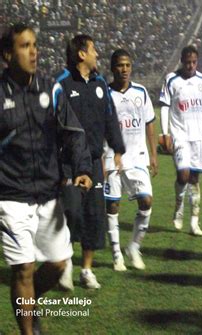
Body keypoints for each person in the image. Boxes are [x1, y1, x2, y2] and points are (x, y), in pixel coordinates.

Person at [0, 23, 92, 334]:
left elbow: (74, 132)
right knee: (24, 269)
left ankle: (30, 302)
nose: (34, 51)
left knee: (58, 264)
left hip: (49, 195)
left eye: (35, 44)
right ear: (7, 55)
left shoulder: (51, 88)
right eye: (25, 46)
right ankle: (29, 330)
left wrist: (81, 167)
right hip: (11, 196)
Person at [57, 34, 125, 289]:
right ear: (81, 54)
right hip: (68, 162)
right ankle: (66, 265)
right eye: (94, 49)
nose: (98, 54)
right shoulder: (61, 83)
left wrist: (117, 149)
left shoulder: (100, 85)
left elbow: (110, 118)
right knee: (72, 212)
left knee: (94, 216)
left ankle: (86, 270)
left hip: (95, 162)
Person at [105, 49, 157, 271]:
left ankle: (134, 247)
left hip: (136, 155)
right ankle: (117, 253)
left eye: (127, 65)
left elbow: (149, 122)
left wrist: (153, 154)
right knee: (113, 204)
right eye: (119, 65)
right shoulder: (105, 94)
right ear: (112, 68)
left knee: (146, 201)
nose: (124, 69)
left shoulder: (141, 92)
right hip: (110, 154)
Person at [159, 45, 202, 236]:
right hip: (179, 135)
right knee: (183, 175)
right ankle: (179, 206)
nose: (190, 65)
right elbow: (165, 107)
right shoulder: (171, 80)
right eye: (187, 62)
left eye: (194, 62)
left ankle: (194, 222)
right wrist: (164, 133)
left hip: (197, 136)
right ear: (182, 61)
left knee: (195, 179)